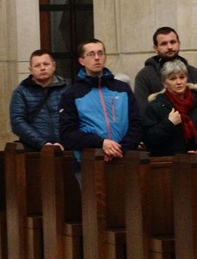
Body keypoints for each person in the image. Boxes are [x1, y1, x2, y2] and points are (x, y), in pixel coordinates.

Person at [59, 39, 142, 171]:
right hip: (89, 163)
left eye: (100, 53)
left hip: (124, 159)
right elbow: (68, 134)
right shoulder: (72, 94)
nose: (97, 58)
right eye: (91, 54)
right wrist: (101, 144)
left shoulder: (122, 89)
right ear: (82, 61)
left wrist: (120, 149)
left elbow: (136, 124)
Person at [142, 60, 197, 157]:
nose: (179, 82)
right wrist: (168, 124)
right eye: (172, 79)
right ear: (164, 83)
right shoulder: (155, 107)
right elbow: (148, 140)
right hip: (169, 164)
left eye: (182, 77)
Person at [134, 27, 197, 113]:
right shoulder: (144, 76)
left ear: (179, 43)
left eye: (173, 42)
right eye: (164, 44)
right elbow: (143, 111)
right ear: (155, 48)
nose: (169, 47)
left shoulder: (194, 72)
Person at [9, 49, 67, 150]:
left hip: (64, 148)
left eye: (46, 64)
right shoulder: (21, 92)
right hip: (33, 149)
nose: (42, 68)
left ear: (53, 66)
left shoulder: (66, 90)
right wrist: (42, 144)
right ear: (30, 69)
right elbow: (17, 122)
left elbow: (73, 118)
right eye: (37, 65)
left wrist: (65, 142)